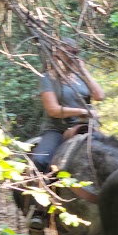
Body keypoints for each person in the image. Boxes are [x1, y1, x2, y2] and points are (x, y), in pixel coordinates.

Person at [31, 41, 105, 172]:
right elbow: (53, 110)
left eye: (74, 53)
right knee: (40, 160)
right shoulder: (48, 78)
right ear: (56, 55)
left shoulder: (80, 77)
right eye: (66, 53)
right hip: (58, 129)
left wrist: (84, 71)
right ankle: (43, 188)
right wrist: (83, 111)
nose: (70, 57)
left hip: (86, 127)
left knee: (111, 156)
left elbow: (99, 96)